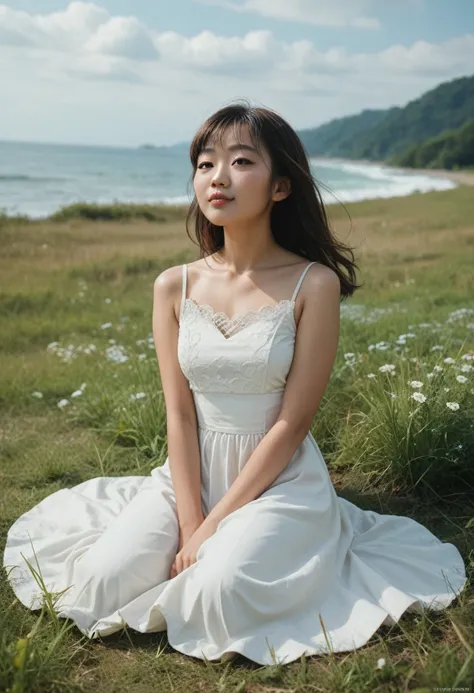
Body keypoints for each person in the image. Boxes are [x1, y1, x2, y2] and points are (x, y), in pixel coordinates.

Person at [3, 101, 467, 667]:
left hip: (278, 477)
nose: (217, 177)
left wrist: (212, 531)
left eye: (241, 161)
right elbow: (179, 413)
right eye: (204, 164)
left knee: (219, 589)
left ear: (280, 186)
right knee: (100, 581)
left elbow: (293, 424)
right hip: (190, 470)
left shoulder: (311, 284)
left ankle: (291, 542)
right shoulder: (173, 285)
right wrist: (191, 518)